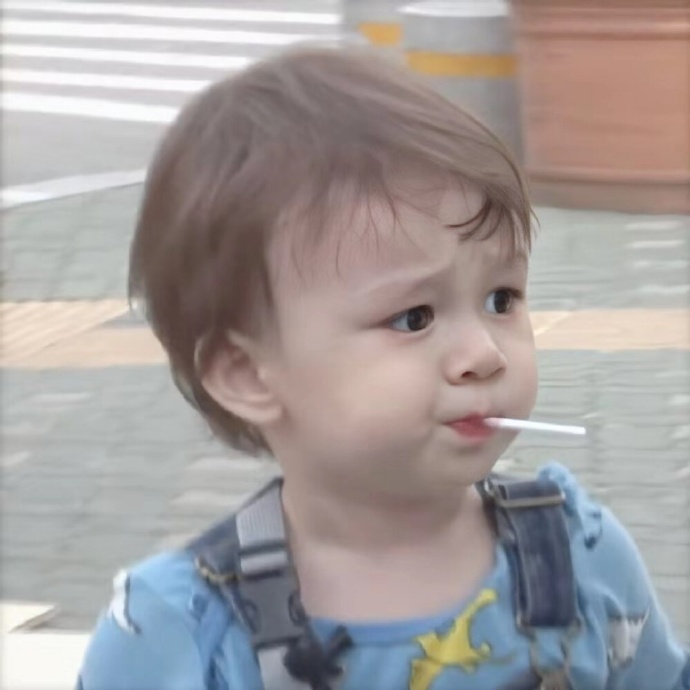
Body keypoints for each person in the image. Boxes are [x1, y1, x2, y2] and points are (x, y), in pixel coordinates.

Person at [76, 45, 689, 690]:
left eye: (501, 299)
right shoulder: (177, 633)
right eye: (414, 317)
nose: (485, 353)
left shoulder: (581, 555)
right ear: (247, 374)